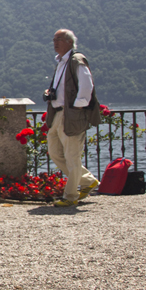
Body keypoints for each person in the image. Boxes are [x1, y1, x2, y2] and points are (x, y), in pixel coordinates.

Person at [44, 29, 102, 207]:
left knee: (72, 156)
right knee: (55, 153)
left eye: (59, 39)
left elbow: (87, 85)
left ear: (69, 42)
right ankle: (87, 181)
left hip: (71, 115)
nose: (55, 42)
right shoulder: (62, 62)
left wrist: (77, 106)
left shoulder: (77, 60)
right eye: (54, 39)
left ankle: (70, 196)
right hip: (58, 114)